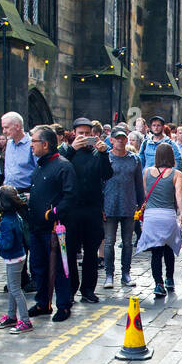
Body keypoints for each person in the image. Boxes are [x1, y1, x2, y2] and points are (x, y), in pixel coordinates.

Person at [26, 124, 77, 321]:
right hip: (36, 227)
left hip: (55, 229)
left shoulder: (63, 166)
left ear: (45, 144)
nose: (31, 145)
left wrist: (52, 213)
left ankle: (63, 305)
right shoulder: (40, 165)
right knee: (38, 266)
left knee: (58, 267)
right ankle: (43, 302)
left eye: (34, 141)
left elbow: (70, 196)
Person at [65, 116, 113, 304]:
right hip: (72, 210)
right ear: (74, 134)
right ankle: (69, 290)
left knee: (91, 253)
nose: (84, 137)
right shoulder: (67, 152)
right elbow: (59, 166)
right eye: (80, 134)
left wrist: (103, 153)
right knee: (69, 253)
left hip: (92, 209)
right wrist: (72, 149)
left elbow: (107, 174)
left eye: (87, 134)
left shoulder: (96, 153)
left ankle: (88, 290)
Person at [135, 142, 182, 297]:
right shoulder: (176, 174)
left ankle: (158, 284)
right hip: (168, 215)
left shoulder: (147, 172)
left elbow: (145, 193)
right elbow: (179, 194)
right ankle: (169, 279)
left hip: (151, 216)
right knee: (168, 248)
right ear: (171, 156)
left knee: (156, 252)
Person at [0, 186, 33, 332]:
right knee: (12, 287)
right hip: (18, 256)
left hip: (13, 258)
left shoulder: (5, 222)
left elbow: (6, 243)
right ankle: (11, 316)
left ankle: (25, 320)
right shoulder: (15, 217)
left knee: (15, 289)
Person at [103, 127, 145, 289]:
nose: (120, 140)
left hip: (129, 205)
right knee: (109, 242)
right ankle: (109, 275)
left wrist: (141, 204)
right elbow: (99, 183)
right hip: (110, 204)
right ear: (111, 140)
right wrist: (101, 206)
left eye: (123, 138)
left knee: (128, 242)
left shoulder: (134, 159)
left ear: (126, 140)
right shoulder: (105, 158)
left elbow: (138, 183)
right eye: (117, 138)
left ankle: (126, 273)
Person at [2, 112, 36, 191]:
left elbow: (40, 170)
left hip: (26, 191)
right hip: (8, 191)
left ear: (17, 126)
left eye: (6, 127)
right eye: (3, 128)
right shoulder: (9, 143)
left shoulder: (32, 144)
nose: (4, 131)